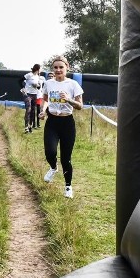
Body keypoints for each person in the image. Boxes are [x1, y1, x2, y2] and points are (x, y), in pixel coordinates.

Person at [39, 56, 84, 198]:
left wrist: (68, 99)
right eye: (55, 67)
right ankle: (53, 168)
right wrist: (43, 110)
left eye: (61, 67)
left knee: (66, 158)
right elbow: (45, 99)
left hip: (67, 123)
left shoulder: (73, 84)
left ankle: (68, 187)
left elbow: (80, 106)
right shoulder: (48, 83)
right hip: (52, 121)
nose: (58, 70)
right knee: (50, 152)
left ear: (67, 68)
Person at [21, 63, 43, 133]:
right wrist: (23, 88)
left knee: (33, 110)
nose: (41, 70)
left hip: (34, 94)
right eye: (41, 69)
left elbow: (39, 87)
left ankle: (30, 126)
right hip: (27, 94)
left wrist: (37, 86)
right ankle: (26, 127)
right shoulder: (29, 75)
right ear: (38, 69)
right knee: (28, 109)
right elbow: (20, 80)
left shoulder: (38, 76)